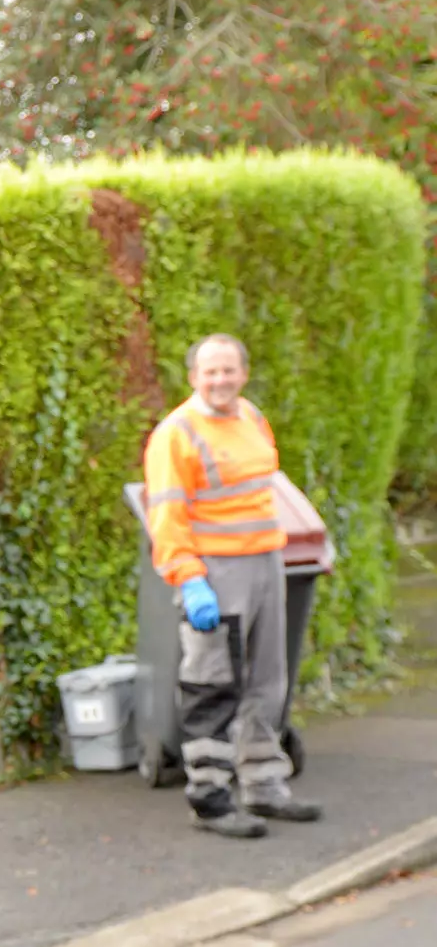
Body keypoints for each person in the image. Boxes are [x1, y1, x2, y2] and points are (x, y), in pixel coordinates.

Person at [142, 334, 321, 838]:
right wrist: (191, 580)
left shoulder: (250, 417)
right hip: (216, 573)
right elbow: (168, 516)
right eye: (210, 372)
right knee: (213, 684)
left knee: (267, 681)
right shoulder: (176, 434)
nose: (220, 380)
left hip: (265, 564)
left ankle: (264, 785)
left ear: (243, 373)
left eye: (228, 370)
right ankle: (209, 799)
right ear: (194, 377)